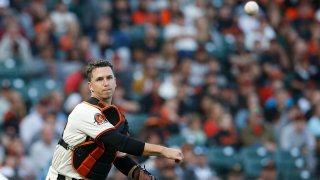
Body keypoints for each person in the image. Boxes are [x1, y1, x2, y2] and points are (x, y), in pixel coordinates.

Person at [46, 60, 184, 180]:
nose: (105, 83)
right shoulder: (84, 110)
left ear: (115, 82)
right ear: (90, 86)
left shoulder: (114, 117)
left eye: (109, 77)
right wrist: (164, 151)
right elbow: (121, 142)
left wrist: (144, 176)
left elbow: (120, 158)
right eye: (99, 79)